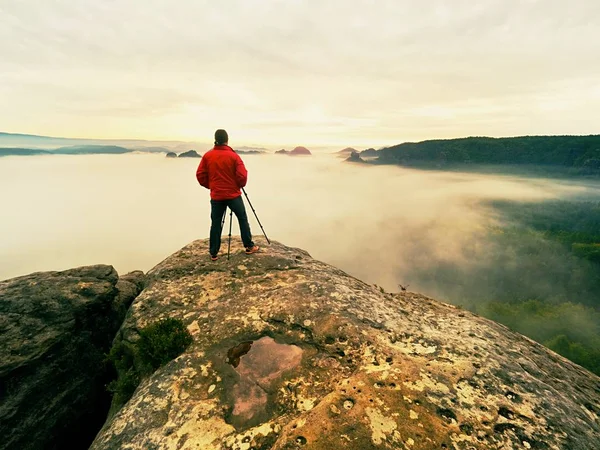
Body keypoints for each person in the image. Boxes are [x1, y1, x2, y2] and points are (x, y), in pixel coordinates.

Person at [196, 129, 259, 261]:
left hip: (217, 196)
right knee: (242, 219)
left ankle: (213, 253)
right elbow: (242, 177)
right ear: (227, 140)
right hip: (233, 195)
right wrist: (237, 184)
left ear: (215, 139)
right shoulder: (234, 156)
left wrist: (212, 186)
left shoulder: (207, 156)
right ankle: (249, 246)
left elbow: (200, 175)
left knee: (216, 223)